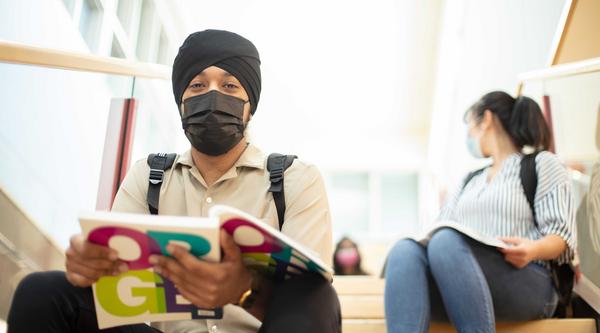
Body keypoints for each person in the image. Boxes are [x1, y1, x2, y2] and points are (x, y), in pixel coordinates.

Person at [7, 29, 341, 333]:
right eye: (197, 85)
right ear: (181, 102)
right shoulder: (148, 176)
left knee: (318, 293)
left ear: (249, 106)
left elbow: (308, 305)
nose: (212, 96)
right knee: (42, 290)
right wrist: (89, 266)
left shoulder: (295, 179)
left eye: (229, 86)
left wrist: (243, 291)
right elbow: (114, 290)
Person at [384, 91, 576, 333]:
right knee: (404, 250)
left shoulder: (541, 164)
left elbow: (562, 236)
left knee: (445, 242)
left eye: (469, 127)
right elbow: (439, 230)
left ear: (486, 119)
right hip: (459, 283)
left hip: (526, 278)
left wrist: (532, 249)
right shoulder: (470, 180)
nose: (468, 136)